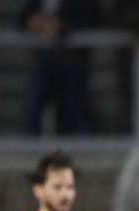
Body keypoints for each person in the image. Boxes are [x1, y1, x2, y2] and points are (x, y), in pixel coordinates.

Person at [20, 0, 101, 135]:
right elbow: (23, 18)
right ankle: (30, 151)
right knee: (33, 107)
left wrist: (61, 26)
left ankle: (84, 148)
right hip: (44, 60)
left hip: (73, 61)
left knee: (74, 109)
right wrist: (31, 21)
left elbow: (92, 20)